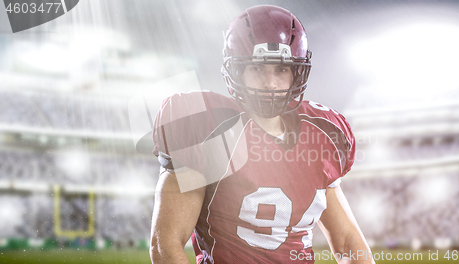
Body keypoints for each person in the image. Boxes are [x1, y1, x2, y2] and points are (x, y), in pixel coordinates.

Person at [150, 5, 374, 264]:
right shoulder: (207, 130)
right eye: (257, 69)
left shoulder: (321, 135)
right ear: (236, 71)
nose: (270, 83)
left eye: (281, 69)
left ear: (296, 73)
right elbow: (165, 244)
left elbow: (348, 242)